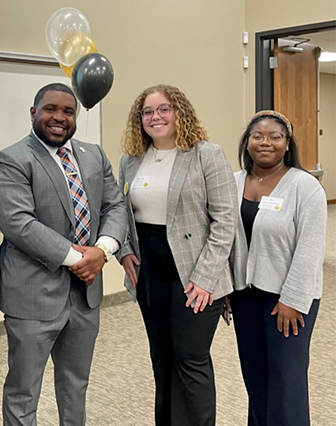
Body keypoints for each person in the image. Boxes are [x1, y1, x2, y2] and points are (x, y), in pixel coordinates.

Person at [0, 83, 127, 426]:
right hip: (33, 296)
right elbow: (19, 224)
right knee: (23, 391)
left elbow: (115, 206)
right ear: (33, 112)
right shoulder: (11, 159)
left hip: (85, 295)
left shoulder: (93, 154)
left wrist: (103, 249)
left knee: (75, 386)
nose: (59, 118)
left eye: (68, 111)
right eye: (50, 109)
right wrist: (80, 259)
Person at [117, 84, 237, 426]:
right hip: (149, 275)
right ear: (139, 119)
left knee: (190, 358)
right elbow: (118, 212)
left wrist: (206, 277)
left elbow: (225, 220)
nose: (156, 117)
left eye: (164, 109)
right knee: (162, 357)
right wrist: (124, 253)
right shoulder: (131, 160)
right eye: (148, 112)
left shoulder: (206, 154)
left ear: (179, 112)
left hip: (196, 273)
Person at [229, 110, 326, 426]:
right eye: (258, 136)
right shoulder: (233, 183)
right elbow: (223, 239)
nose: (265, 142)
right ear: (247, 142)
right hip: (245, 296)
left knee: (286, 381)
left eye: (275, 136)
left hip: (288, 301)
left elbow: (310, 249)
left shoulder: (304, 186)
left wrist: (292, 300)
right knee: (255, 377)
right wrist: (226, 287)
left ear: (287, 144)